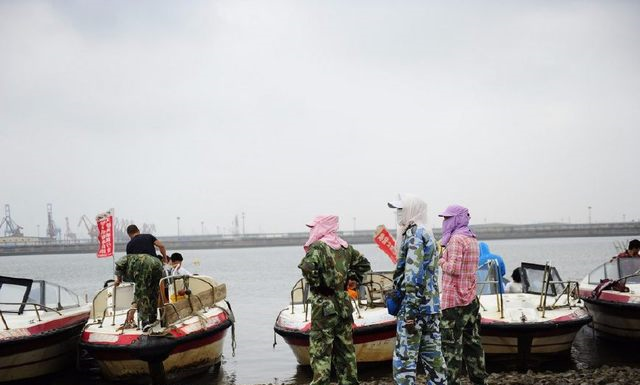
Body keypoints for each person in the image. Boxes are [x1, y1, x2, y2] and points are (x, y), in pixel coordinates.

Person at [298, 215, 371, 385]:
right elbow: (364, 264)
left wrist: (317, 284)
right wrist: (351, 279)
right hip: (343, 305)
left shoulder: (318, 247)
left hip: (324, 306)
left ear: (322, 227)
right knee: (345, 352)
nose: (312, 230)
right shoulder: (345, 247)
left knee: (321, 352)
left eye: (314, 226)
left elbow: (307, 266)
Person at [388, 195, 447, 385]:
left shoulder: (414, 235)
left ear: (412, 211)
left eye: (401, 210)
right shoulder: (428, 234)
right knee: (435, 363)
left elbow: (413, 275)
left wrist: (410, 312)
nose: (398, 215)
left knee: (404, 365)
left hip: (415, 310)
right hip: (431, 309)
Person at [438, 205, 488, 385]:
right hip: (470, 299)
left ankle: (451, 381)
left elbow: (453, 268)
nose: (444, 222)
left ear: (457, 219)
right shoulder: (472, 238)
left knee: (451, 347)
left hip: (453, 303)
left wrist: (440, 260)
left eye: (447, 218)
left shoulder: (456, 240)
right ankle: (479, 380)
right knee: (473, 343)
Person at [114, 253, 164, 328]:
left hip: (143, 264)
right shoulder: (130, 259)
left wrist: (132, 311)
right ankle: (152, 319)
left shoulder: (126, 263)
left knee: (142, 293)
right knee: (153, 291)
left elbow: (139, 292)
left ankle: (145, 321)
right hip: (157, 263)